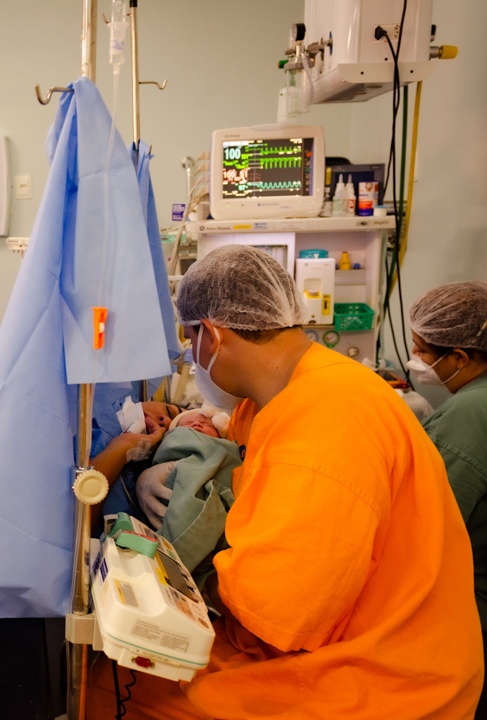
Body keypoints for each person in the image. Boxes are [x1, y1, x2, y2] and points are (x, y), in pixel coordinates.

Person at [92, 245, 482, 719]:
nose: (190, 356)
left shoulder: (326, 420)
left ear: (211, 337)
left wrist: (182, 566)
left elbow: (278, 614)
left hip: (378, 677)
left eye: (189, 340)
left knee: (112, 685)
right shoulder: (290, 393)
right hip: (340, 635)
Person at [408, 280, 487, 718]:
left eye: (422, 350)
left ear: (459, 356)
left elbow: (427, 526)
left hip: (470, 606)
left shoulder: (468, 416)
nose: (417, 360)